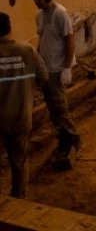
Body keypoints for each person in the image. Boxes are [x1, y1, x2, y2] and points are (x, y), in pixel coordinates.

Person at [27, 0, 80, 157]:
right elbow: (42, 39)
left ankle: (72, 138)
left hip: (57, 69)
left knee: (59, 106)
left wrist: (66, 68)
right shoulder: (39, 16)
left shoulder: (60, 14)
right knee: (51, 106)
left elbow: (70, 42)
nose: (35, 1)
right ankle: (62, 138)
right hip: (46, 69)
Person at [0, 11, 48, 198]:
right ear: (10, 30)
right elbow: (43, 77)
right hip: (21, 118)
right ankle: (19, 201)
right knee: (19, 162)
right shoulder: (27, 50)